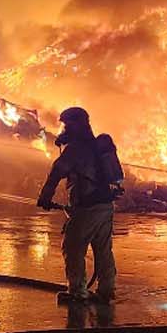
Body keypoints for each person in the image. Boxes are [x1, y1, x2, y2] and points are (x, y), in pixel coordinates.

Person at [36, 107, 120, 303]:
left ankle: (78, 293)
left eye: (67, 124)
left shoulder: (76, 149)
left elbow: (57, 172)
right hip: (105, 206)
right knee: (103, 249)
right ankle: (107, 290)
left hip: (87, 208)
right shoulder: (97, 145)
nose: (65, 129)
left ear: (75, 124)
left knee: (73, 248)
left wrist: (45, 197)